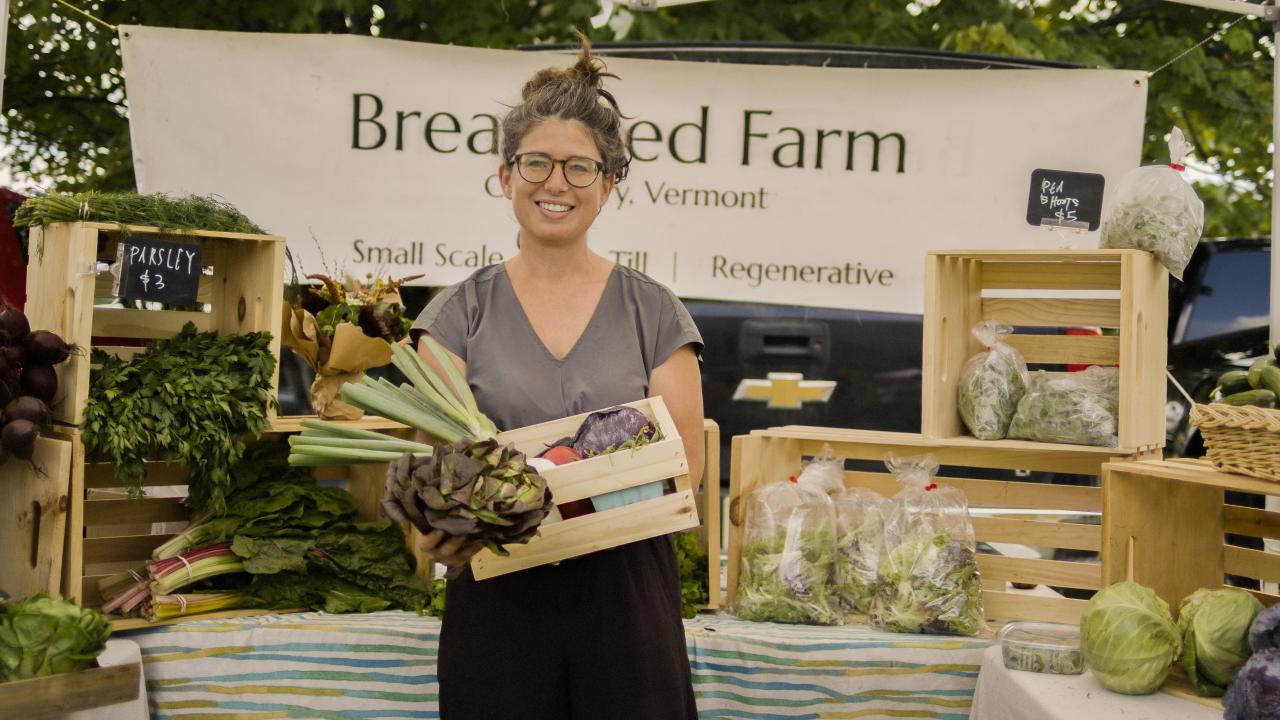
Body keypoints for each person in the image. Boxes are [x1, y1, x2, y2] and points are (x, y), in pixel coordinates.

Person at [408, 36, 705, 720]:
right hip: (498, 599)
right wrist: (435, 524)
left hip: (627, 599)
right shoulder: (455, 317)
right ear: (506, 175)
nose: (556, 184)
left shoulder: (654, 312)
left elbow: (682, 466)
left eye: (579, 168)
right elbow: (437, 470)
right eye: (536, 162)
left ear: (608, 185)